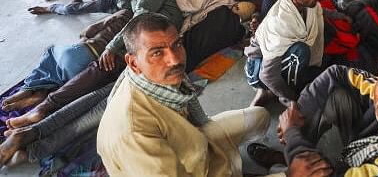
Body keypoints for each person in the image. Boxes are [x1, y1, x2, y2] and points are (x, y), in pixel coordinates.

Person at [6, 0, 183, 130]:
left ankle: (43, 105)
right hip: (143, 41)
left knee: (98, 65)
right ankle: (44, 100)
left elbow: (138, 20)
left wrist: (111, 47)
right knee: (99, 68)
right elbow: (123, 6)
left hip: (152, 40)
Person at [96, 13, 270, 176]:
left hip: (190, 141)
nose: (175, 60)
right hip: (180, 160)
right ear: (133, 63)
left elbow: (199, 119)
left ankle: (225, 164)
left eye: (177, 44)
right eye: (157, 53)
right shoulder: (134, 133)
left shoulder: (148, 77)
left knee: (259, 116)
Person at [1, 10, 131, 112]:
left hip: (82, 52)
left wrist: (85, 37)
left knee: (51, 52)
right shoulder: (142, 32)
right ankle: (41, 94)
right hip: (87, 74)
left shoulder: (125, 13)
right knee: (59, 74)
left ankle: (28, 88)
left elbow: (88, 31)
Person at [244, 0, 324, 107]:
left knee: (309, 56)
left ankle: (270, 91)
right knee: (301, 50)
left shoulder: (300, 3)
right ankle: (271, 92)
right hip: (258, 71)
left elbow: (320, 11)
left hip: (271, 65)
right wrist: (292, 98)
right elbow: (267, 75)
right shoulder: (280, 22)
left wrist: (341, 16)